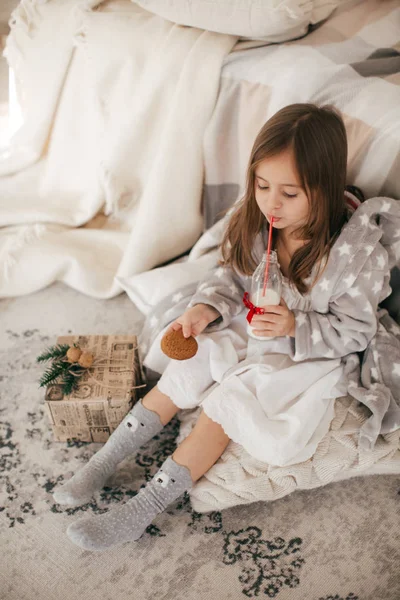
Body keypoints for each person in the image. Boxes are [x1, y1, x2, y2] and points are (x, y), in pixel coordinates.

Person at [53, 103, 392, 551]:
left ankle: (141, 508)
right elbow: (229, 277)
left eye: (290, 194)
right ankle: (104, 461)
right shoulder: (258, 224)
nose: (272, 202)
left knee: (228, 403)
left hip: (304, 352)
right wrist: (206, 309)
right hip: (248, 322)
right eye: (262, 185)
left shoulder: (352, 257)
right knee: (192, 366)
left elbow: (354, 331)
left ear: (324, 190)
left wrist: (296, 324)